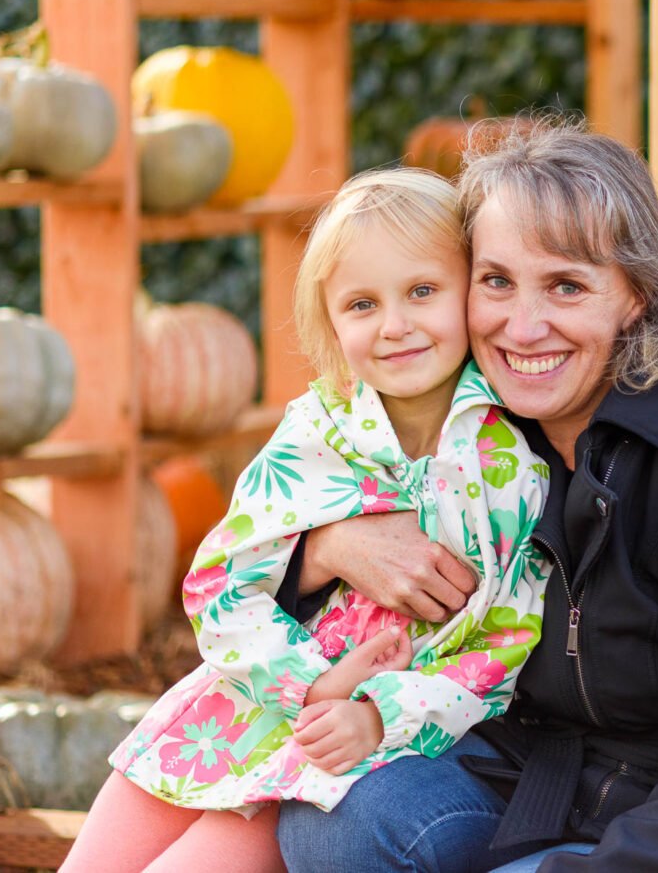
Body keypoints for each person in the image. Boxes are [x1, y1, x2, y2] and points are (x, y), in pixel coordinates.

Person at [275, 120, 658, 872]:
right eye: (497, 281)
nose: (523, 327)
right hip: (554, 783)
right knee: (335, 824)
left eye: (566, 285)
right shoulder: (488, 430)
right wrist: (326, 546)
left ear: (638, 295)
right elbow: (258, 549)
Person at [61, 167, 550, 873]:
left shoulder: (507, 461)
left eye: (422, 291)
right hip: (241, 706)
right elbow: (221, 583)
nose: (395, 325)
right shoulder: (318, 429)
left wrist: (377, 711)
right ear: (329, 319)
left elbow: (502, 640)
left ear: (471, 290)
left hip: (343, 742)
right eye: (361, 304)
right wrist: (299, 680)